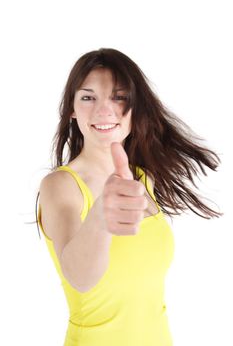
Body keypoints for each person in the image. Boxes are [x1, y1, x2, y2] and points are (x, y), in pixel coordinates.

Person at [36, 48, 223, 345]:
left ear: (137, 107)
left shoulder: (143, 179)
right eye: (88, 97)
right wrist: (100, 216)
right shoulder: (60, 186)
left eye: (119, 96)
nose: (103, 110)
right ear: (71, 109)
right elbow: (80, 279)